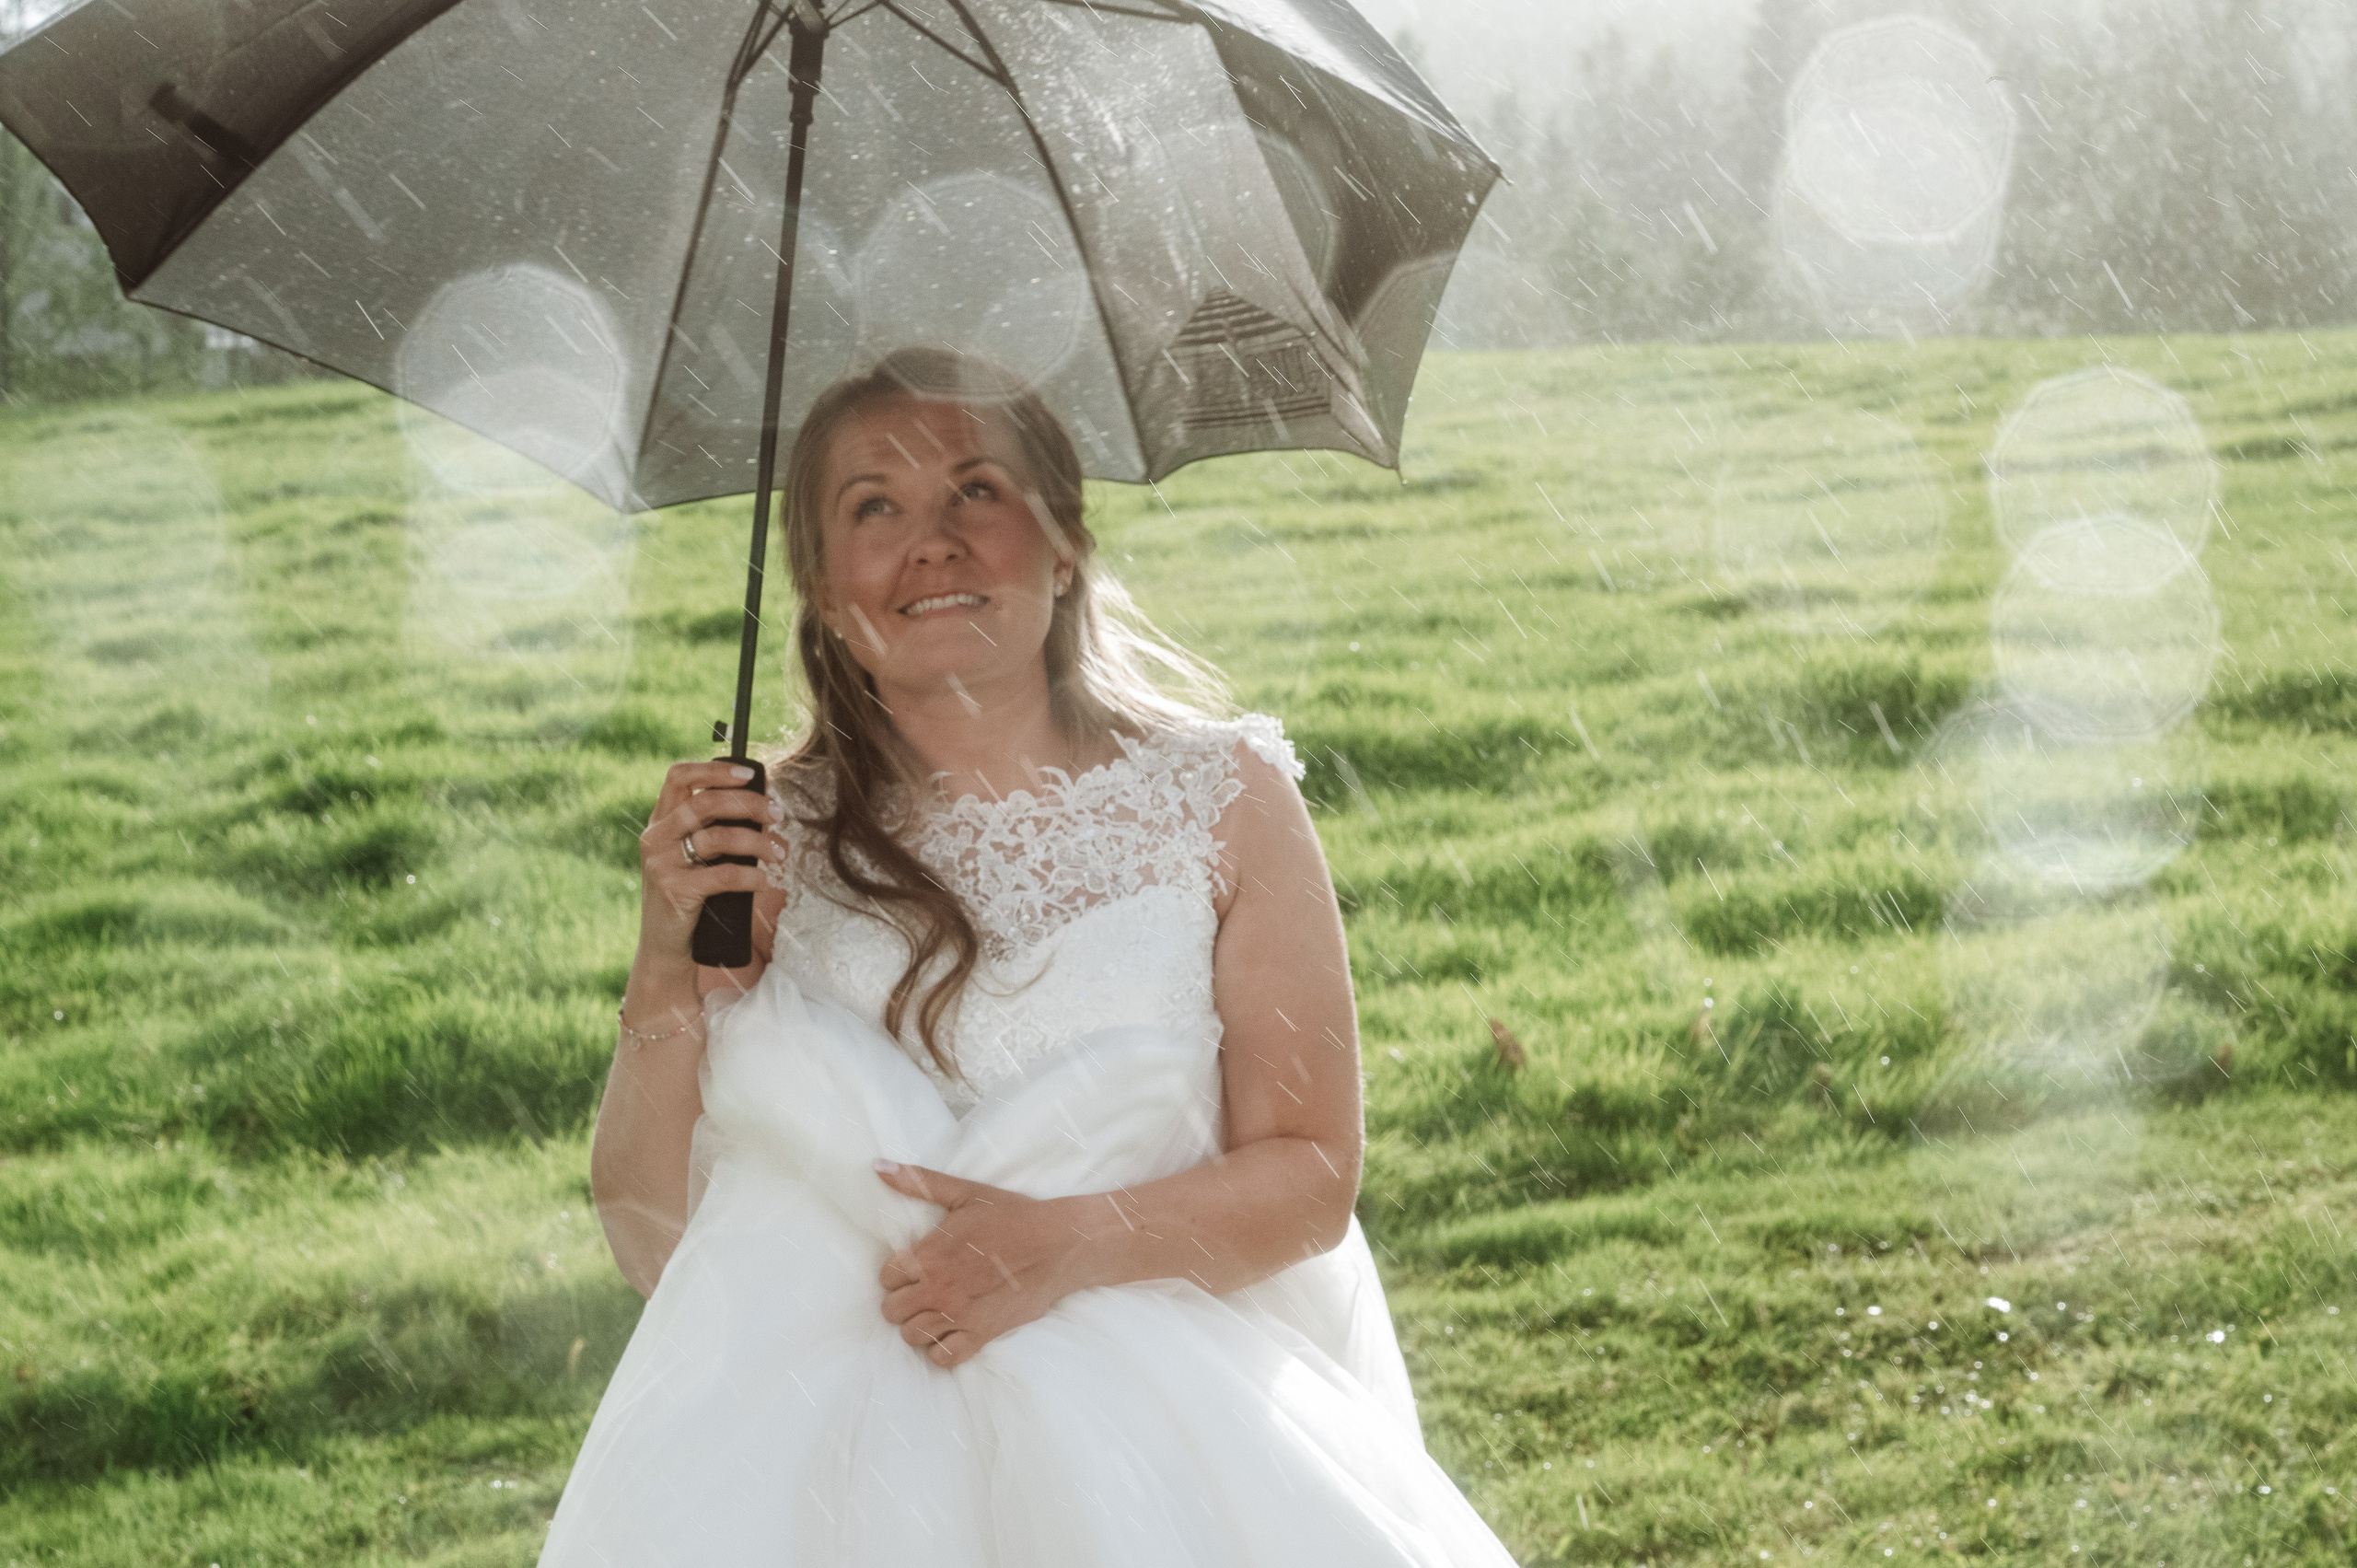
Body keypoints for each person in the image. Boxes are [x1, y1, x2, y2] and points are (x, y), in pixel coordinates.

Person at [536, 349, 1519, 1566]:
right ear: (821, 585)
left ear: (1064, 544)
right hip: (820, 1478)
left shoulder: (1225, 801)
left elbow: (1312, 1175)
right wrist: (665, 968)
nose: (932, 542)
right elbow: (656, 1239)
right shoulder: (759, 847)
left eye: (978, 491)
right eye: (874, 508)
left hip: (1169, 1453)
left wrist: (1062, 1246)